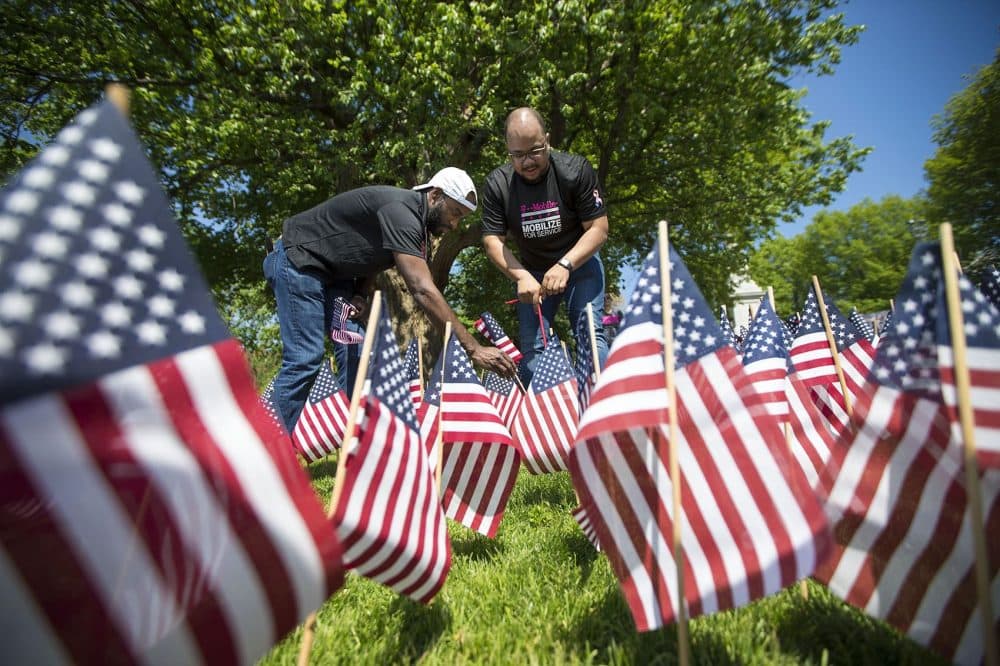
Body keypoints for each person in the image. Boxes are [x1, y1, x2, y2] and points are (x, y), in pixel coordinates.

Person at [264, 167, 517, 433]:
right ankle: (263, 447)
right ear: (435, 195)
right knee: (305, 358)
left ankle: (362, 444)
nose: (455, 225)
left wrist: (360, 292)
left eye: (461, 218)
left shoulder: (414, 224)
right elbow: (422, 289)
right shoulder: (402, 210)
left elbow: (368, 252)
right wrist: (474, 349)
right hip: (298, 262)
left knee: (359, 351)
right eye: (454, 213)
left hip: (335, 279)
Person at [481, 107, 610, 384]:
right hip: (532, 274)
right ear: (508, 151)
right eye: (518, 155)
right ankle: (549, 414)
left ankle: (601, 403)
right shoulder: (497, 185)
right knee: (533, 349)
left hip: (580, 265)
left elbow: (599, 229)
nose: (527, 161)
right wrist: (520, 275)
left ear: (547, 140)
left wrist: (565, 264)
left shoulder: (576, 171)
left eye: (535, 151)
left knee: (590, 333)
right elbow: (492, 240)